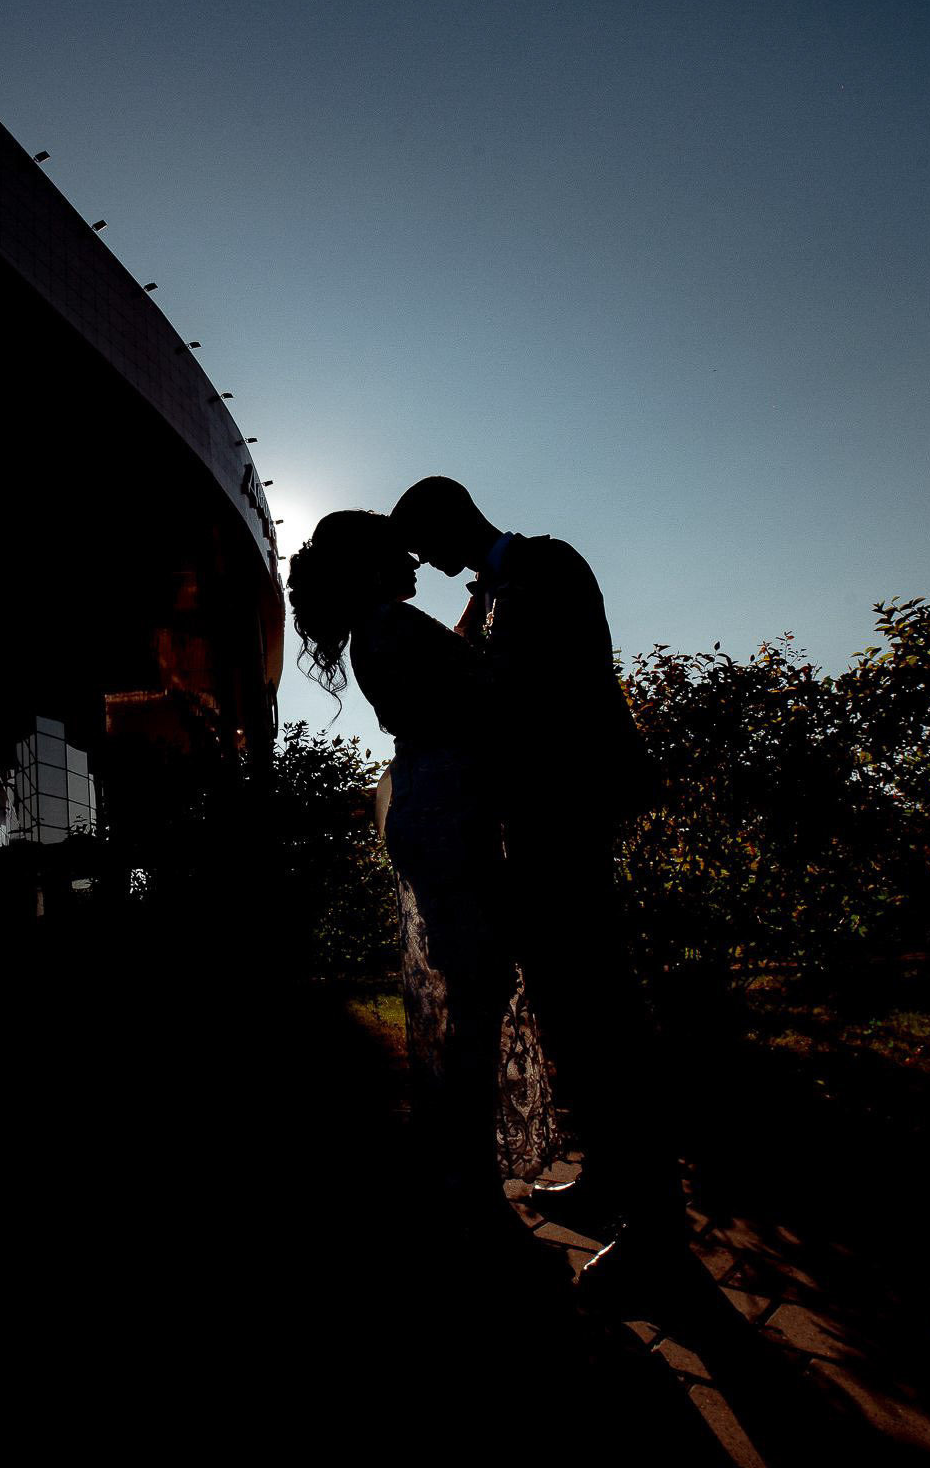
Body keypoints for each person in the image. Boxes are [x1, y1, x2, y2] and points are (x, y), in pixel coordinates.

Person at [388, 476, 683, 1280]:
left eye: (426, 544)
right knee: (566, 1008)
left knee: (602, 1011)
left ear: (451, 518)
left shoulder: (548, 566)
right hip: (527, 826)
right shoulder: (484, 597)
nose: (427, 562)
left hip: (569, 812)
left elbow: (536, 692)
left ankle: (658, 1228)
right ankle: (609, 1178)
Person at [286, 510, 553, 1264]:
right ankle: (468, 1172)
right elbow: (482, 686)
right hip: (449, 807)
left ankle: (462, 1162)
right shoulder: (392, 624)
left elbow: (454, 665)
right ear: (374, 566)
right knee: (476, 993)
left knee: (473, 989)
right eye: (399, 554)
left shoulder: (382, 627)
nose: (414, 565)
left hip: (433, 800)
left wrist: (479, 610)